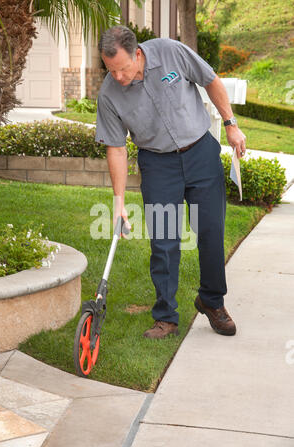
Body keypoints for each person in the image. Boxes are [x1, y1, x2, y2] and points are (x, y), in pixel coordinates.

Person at [95, 25, 246, 339]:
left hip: (200, 153)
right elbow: (116, 148)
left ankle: (212, 301)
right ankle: (166, 316)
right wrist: (118, 202)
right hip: (158, 163)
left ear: (137, 54)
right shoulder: (109, 92)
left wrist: (231, 124)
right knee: (164, 241)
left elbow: (211, 80)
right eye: (111, 70)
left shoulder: (171, 52)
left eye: (122, 69)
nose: (118, 77)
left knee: (211, 231)